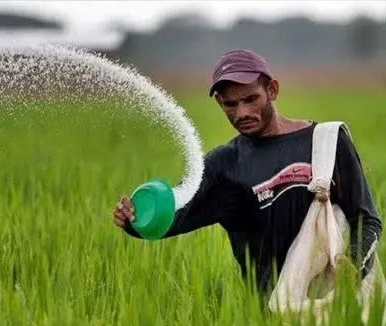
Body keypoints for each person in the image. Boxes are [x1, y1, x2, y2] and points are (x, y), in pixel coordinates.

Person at [113, 48, 382, 294]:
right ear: (219, 102)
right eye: (230, 104)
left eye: (251, 99)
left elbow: (366, 219)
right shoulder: (225, 165)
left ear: (272, 90)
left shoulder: (327, 141)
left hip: (335, 303)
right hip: (273, 315)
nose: (242, 112)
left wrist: (352, 269)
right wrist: (134, 220)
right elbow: (175, 215)